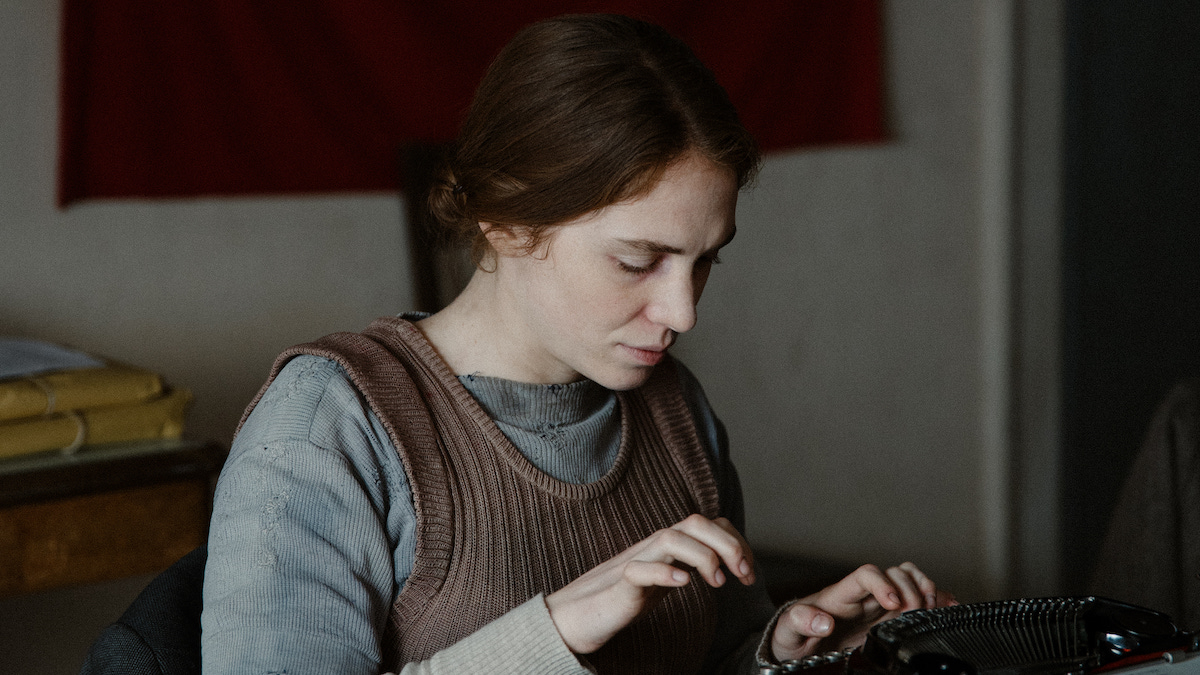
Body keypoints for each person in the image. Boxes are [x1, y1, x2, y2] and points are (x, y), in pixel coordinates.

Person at [200, 13, 953, 674]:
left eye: (706, 259)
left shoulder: (676, 411)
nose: (683, 311)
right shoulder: (327, 426)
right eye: (636, 261)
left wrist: (781, 652)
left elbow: (706, 655)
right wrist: (555, 630)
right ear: (505, 220)